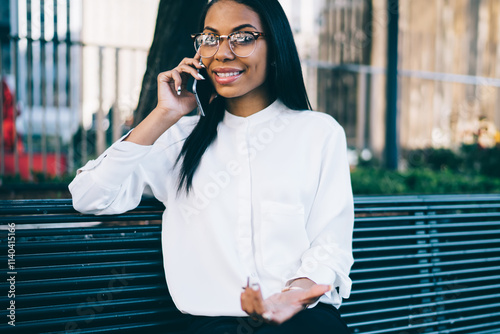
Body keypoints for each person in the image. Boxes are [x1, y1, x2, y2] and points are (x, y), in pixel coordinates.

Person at [69, 0, 354, 333]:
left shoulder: (318, 133)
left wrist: (293, 295)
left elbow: (330, 242)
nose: (222, 52)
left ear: (275, 46)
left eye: (243, 38)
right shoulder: (178, 139)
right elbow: (88, 196)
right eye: (210, 38)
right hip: (212, 324)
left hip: (301, 318)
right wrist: (164, 114)